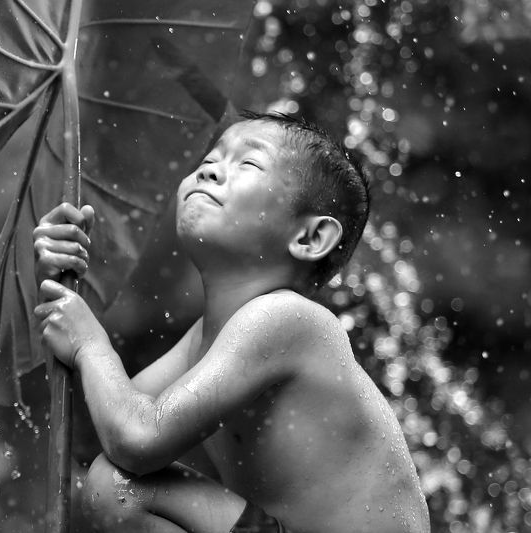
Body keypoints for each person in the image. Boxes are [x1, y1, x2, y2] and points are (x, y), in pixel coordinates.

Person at [32, 111, 430, 533]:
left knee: (116, 487)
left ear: (310, 239)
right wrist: (62, 285)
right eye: (209, 159)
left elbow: (136, 441)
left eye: (248, 163)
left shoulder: (288, 320)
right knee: (110, 482)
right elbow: (108, 426)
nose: (209, 170)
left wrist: (91, 345)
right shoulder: (207, 335)